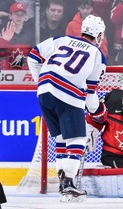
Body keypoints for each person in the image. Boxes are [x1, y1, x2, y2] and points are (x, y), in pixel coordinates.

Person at [27, 14, 106, 202]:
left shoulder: (61, 39)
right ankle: (68, 184)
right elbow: (90, 95)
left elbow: (33, 56)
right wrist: (99, 111)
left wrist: (43, 83)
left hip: (44, 92)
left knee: (63, 138)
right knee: (77, 139)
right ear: (100, 35)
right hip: (68, 95)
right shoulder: (97, 55)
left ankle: (63, 180)